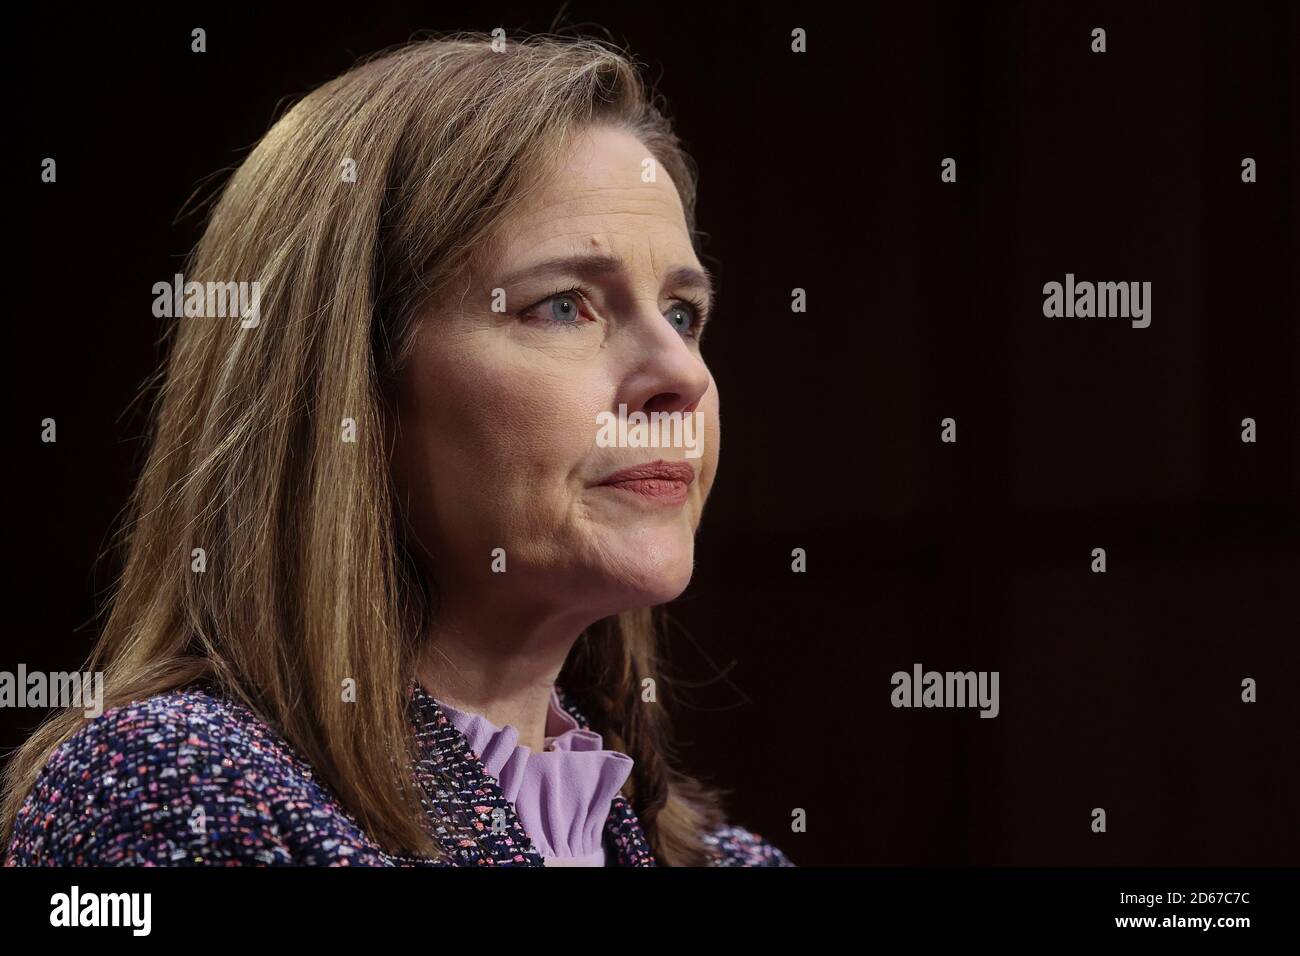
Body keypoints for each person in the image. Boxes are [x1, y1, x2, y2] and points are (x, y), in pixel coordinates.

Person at [2, 33, 792, 867]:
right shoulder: (174, 785)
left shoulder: (725, 860)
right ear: (350, 385)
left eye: (682, 313)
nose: (680, 376)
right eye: (563, 306)